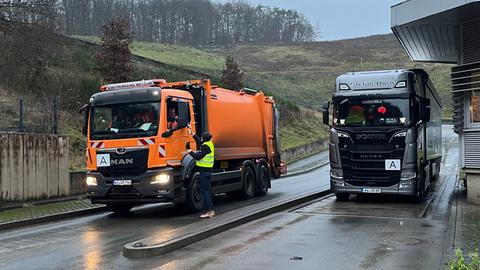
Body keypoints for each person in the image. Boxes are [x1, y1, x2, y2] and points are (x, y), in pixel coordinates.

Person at [188, 130, 215, 218]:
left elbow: (198, 156)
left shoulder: (205, 146)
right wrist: (192, 134)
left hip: (204, 171)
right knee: (207, 190)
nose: (201, 139)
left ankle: (210, 211)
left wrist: (190, 152)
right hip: (207, 170)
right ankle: (210, 210)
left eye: (202, 137)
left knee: (205, 191)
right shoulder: (209, 144)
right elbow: (199, 142)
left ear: (204, 138)